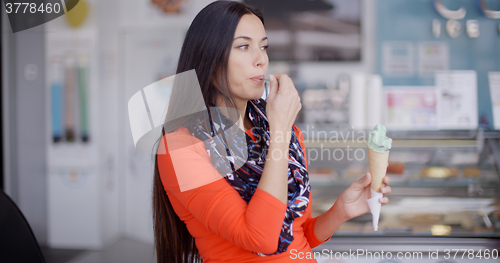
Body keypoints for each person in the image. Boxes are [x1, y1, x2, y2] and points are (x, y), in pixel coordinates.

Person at [152, 1, 392, 263]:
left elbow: (296, 238)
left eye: (264, 46)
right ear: (209, 57)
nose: (261, 59)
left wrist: (340, 211)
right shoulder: (180, 147)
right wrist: (280, 132)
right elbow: (261, 239)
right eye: (244, 46)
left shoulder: (281, 131)